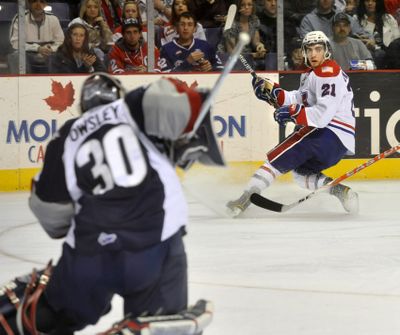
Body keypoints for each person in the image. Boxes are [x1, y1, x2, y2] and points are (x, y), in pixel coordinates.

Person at [1, 72, 224, 334]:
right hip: (154, 246)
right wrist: (182, 141)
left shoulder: (64, 138)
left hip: (88, 257)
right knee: (163, 323)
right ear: (118, 94)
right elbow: (186, 102)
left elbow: (52, 218)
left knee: (48, 312)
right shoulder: (134, 105)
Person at [226, 30, 359, 216]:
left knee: (274, 161)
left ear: (326, 51)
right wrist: (274, 93)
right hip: (336, 144)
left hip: (326, 134)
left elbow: (322, 116)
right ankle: (341, 191)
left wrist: (292, 112)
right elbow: (298, 97)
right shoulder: (312, 74)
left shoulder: (328, 73)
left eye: (318, 49)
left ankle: (243, 200)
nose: (313, 54)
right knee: (301, 174)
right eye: (309, 49)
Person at [8, 0, 64, 74]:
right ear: (29, 3)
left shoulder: (53, 19)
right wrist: (37, 48)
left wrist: (50, 49)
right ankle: (21, 83)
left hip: (49, 55)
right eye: (35, 1)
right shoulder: (20, 18)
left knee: (62, 56)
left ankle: (55, 82)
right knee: (15, 57)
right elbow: (15, 43)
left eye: (41, 1)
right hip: (27, 55)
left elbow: (60, 41)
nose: (38, 4)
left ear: (45, 4)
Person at [218, 0, 267, 70]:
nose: (246, 7)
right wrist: (252, 55)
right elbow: (231, 52)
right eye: (243, 5)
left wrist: (260, 46)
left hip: (247, 56)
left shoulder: (254, 20)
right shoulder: (231, 23)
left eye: (249, 5)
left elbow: (255, 41)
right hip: (228, 59)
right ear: (238, 8)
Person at [355, 0, 400, 68]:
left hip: (389, 56)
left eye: (374, 1)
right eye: (367, 1)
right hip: (365, 56)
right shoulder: (357, 19)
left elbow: (396, 41)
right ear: (363, 3)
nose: (370, 3)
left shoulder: (388, 18)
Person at [299, 0, 367, 38]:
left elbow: (362, 34)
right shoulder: (308, 20)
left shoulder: (343, 17)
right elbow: (306, 43)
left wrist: (369, 39)